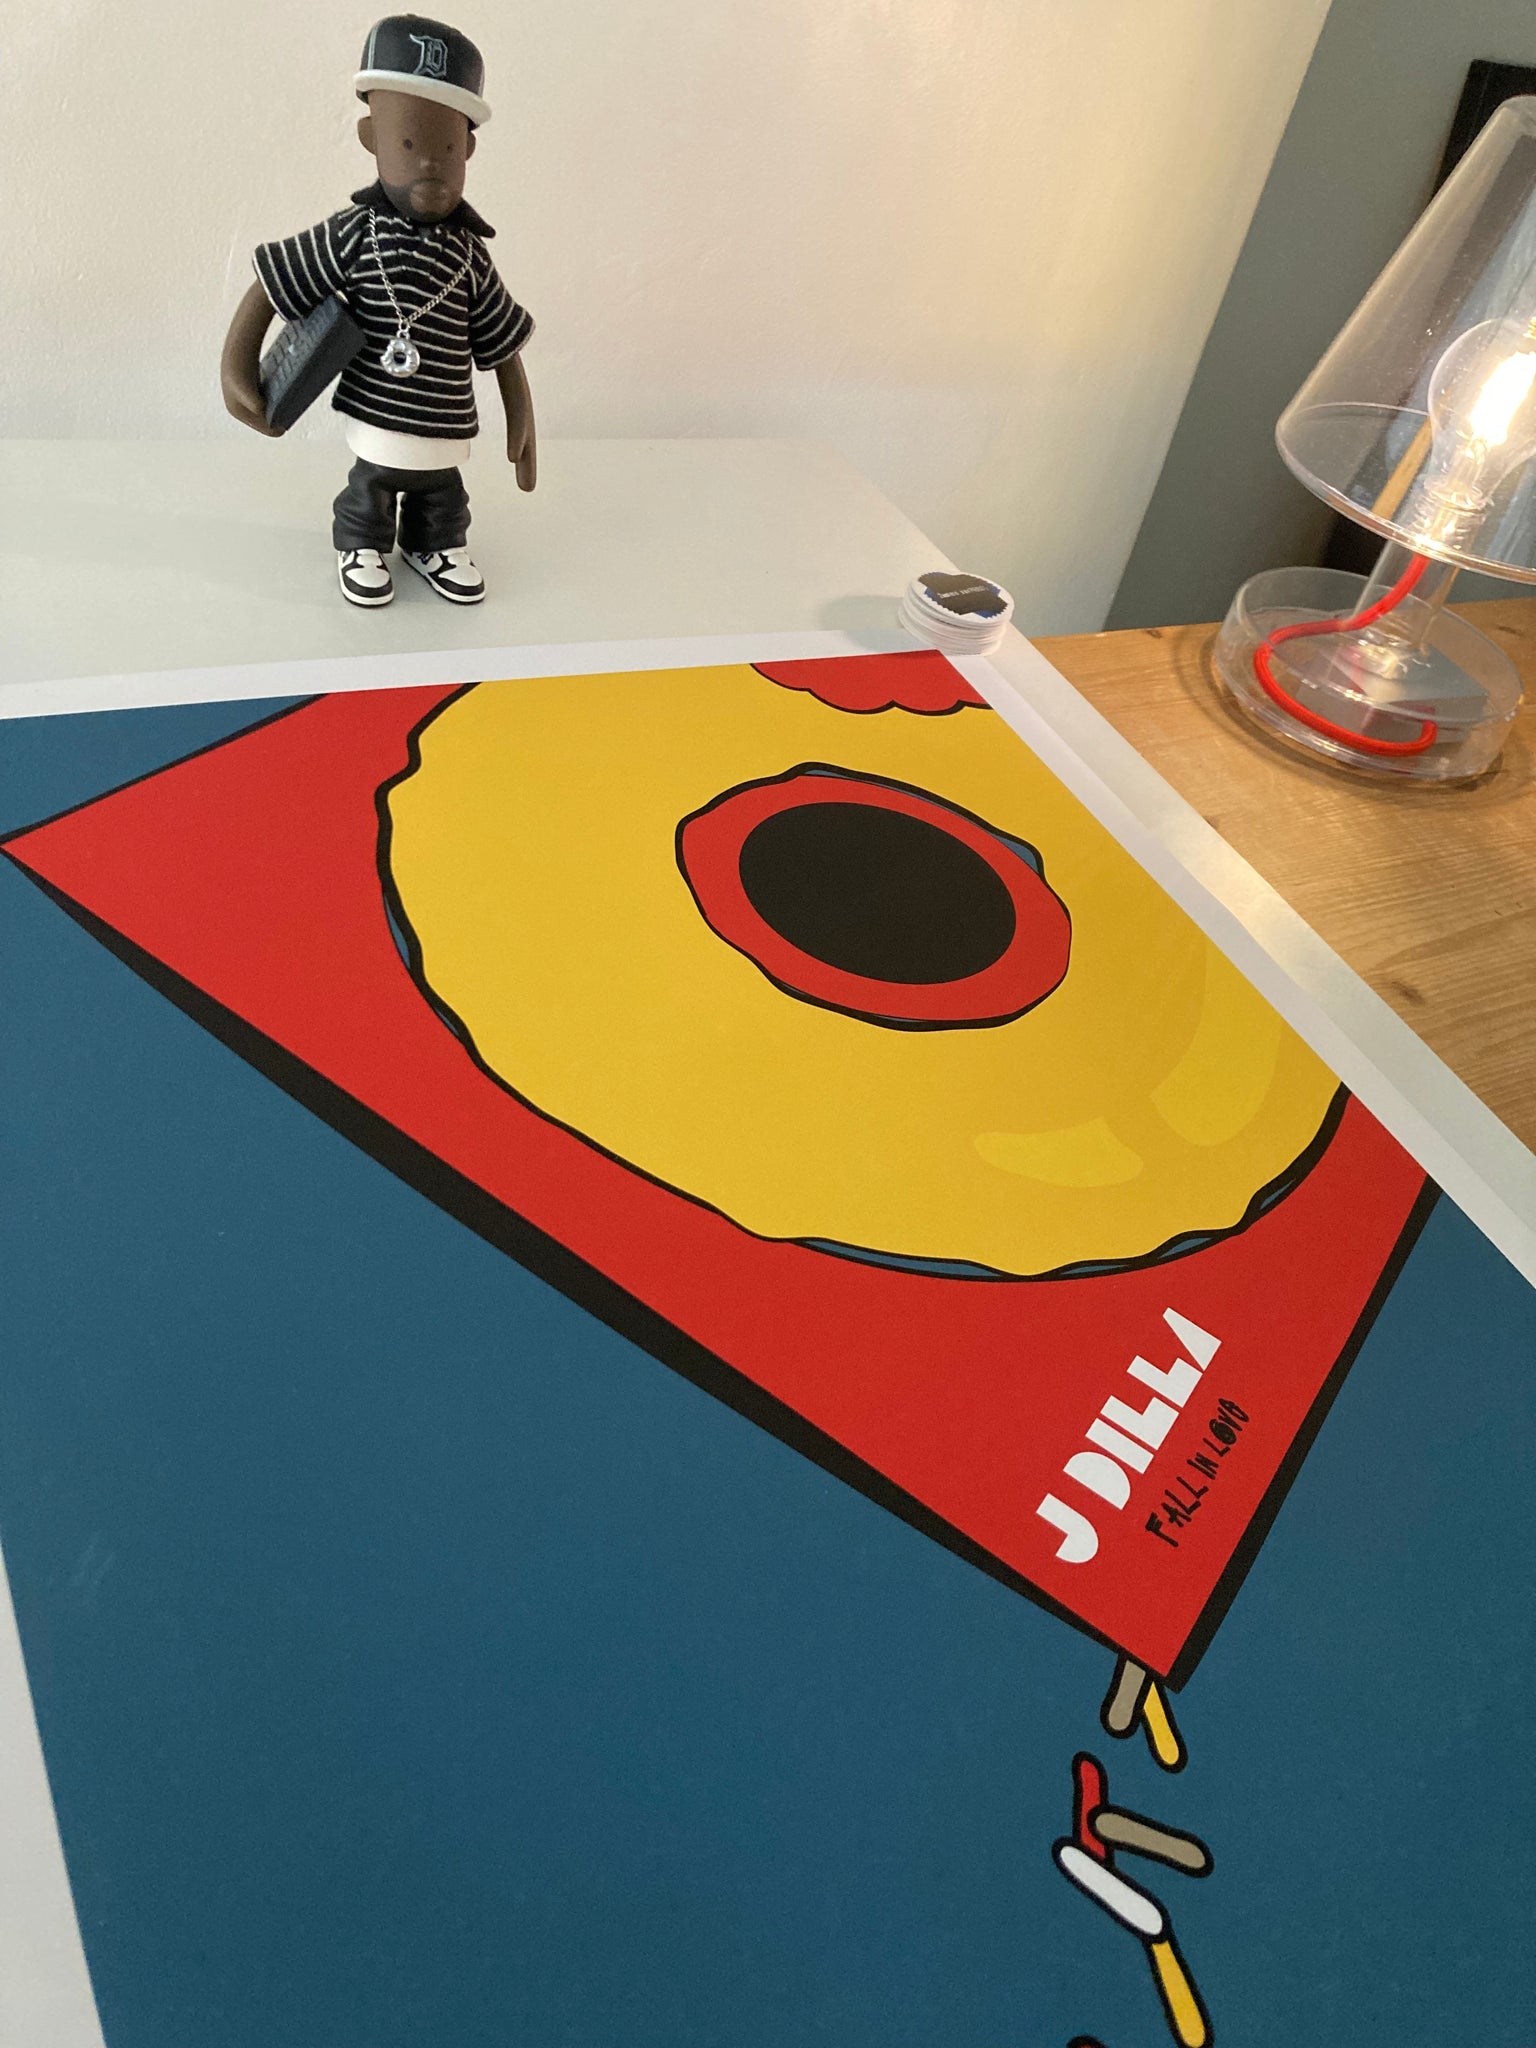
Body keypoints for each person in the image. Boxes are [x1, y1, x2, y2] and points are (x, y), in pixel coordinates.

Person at [219, 15, 536, 608]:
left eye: (447, 149)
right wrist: (237, 371)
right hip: (375, 411)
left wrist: (522, 421)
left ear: (468, 149)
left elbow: (500, 341)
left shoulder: (470, 255)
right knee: (373, 483)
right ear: (372, 136)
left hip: (446, 420)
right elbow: (277, 278)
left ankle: (433, 543)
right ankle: (362, 542)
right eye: (410, 145)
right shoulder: (353, 235)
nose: (430, 164)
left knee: (443, 491)